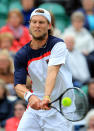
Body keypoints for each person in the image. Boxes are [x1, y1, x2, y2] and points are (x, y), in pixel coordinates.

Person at [14, 8, 73, 131]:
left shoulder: (58, 45)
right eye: (34, 22)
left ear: (49, 26)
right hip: (35, 110)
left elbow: (52, 71)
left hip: (60, 109)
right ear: (29, 25)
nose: (37, 25)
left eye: (41, 22)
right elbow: (18, 85)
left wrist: (46, 97)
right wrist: (29, 97)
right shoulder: (22, 54)